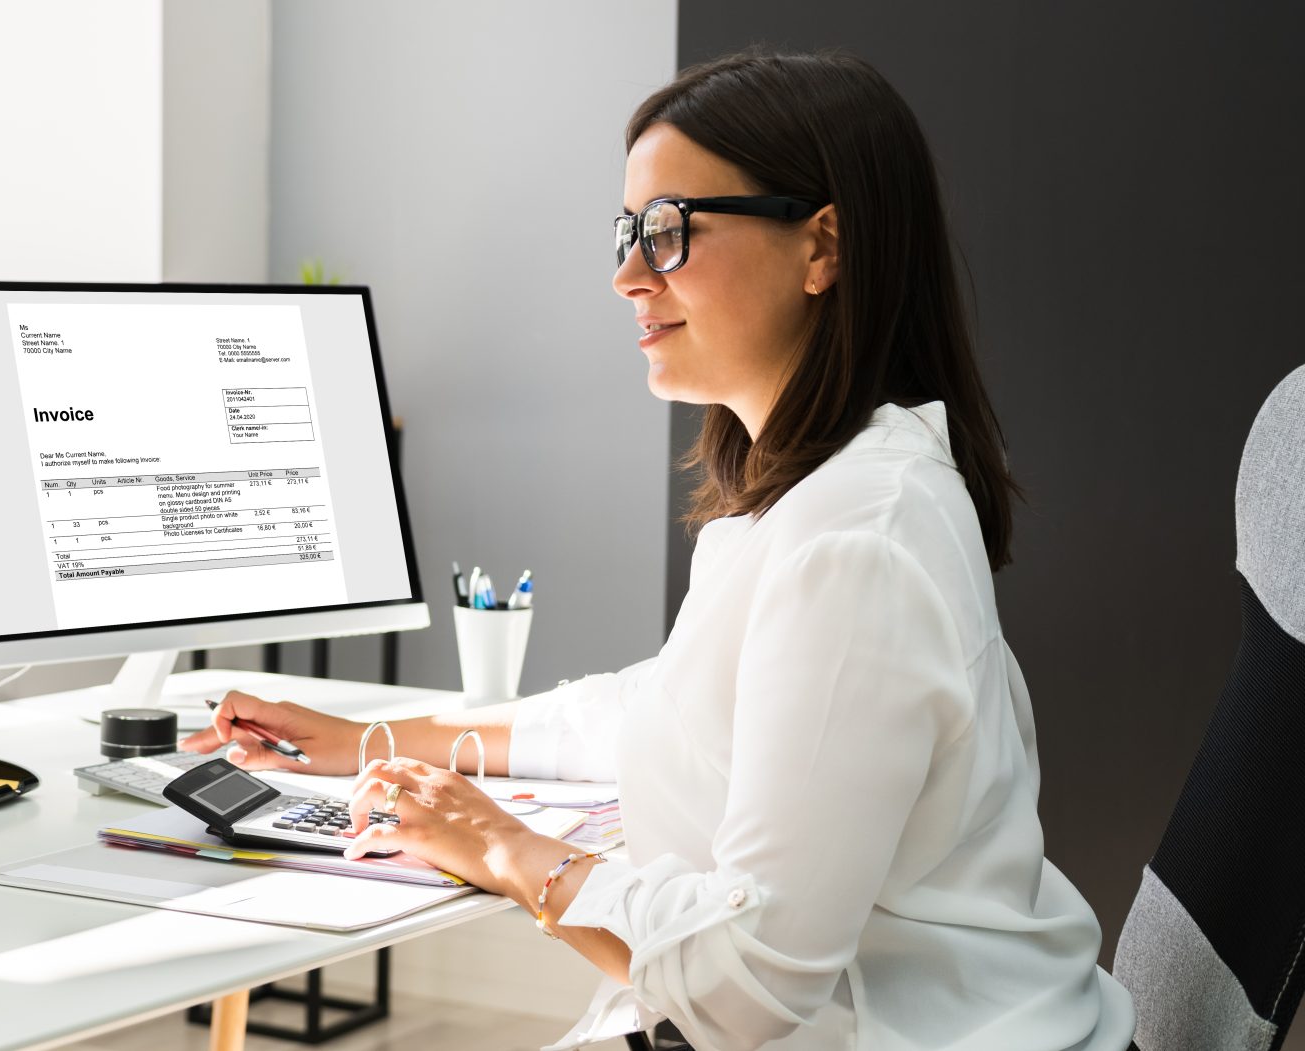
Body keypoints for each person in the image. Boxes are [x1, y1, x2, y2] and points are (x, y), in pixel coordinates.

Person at [181, 48, 1133, 1051]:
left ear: (821, 248)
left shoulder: (855, 541)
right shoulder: (816, 496)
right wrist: (374, 740)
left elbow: (745, 986)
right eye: (628, 231)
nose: (627, 274)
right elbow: (660, 711)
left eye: (671, 232)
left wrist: (505, 849)